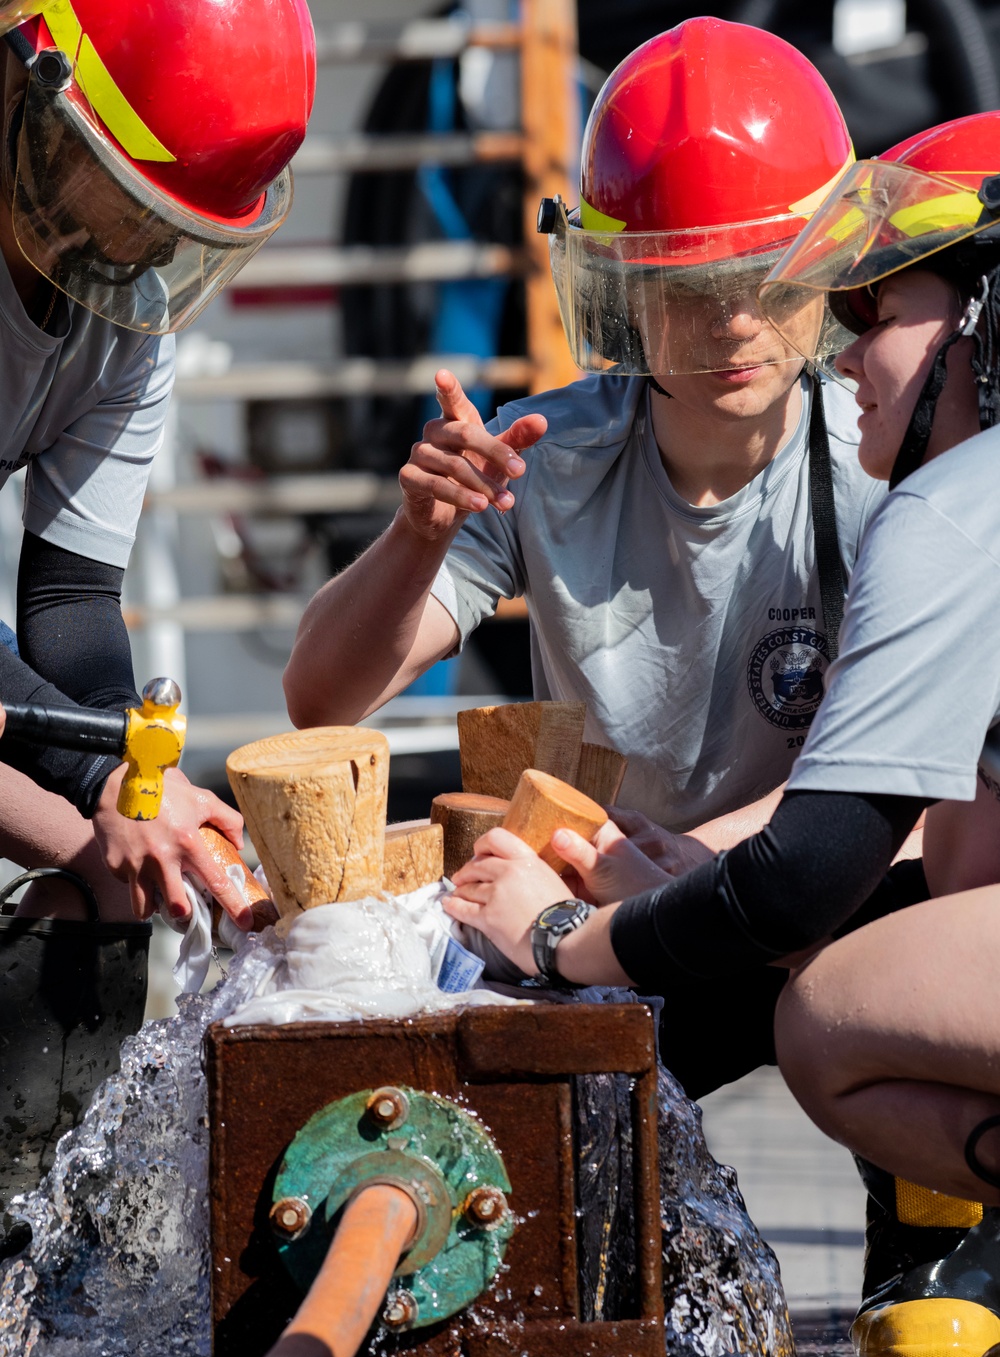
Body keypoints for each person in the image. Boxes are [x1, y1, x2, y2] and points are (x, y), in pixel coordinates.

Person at [442, 110, 1000, 1357]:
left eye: (876, 315)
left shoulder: (941, 509)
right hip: (717, 871)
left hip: (706, 897)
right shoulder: (566, 451)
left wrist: (556, 939)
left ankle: (956, 1243)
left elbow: (811, 871)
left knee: (835, 1011)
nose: (846, 353)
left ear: (987, 325)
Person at [285, 15, 892, 1098]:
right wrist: (415, 538)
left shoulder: (880, 457)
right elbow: (321, 698)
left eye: (771, 275)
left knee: (887, 961)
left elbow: (913, 784)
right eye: (692, 288)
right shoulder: (547, 457)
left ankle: (920, 1239)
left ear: (831, 274)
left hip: (808, 899)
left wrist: (703, 870)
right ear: (619, 291)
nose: (737, 324)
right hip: (608, 921)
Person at [0, 0, 315, 928]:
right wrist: (102, 765)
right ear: (34, 82)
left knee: (125, 875)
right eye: (132, 201)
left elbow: (70, 603)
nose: (146, 250)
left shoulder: (120, 308)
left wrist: (139, 781)